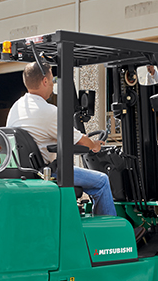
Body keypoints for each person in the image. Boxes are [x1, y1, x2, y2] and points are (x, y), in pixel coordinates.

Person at [6, 60, 116, 216]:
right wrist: (95, 145)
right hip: (47, 172)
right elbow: (80, 141)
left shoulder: (16, 108)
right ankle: (109, 232)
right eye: (52, 80)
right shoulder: (48, 111)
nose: (52, 84)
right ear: (45, 81)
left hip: (25, 171)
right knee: (102, 181)